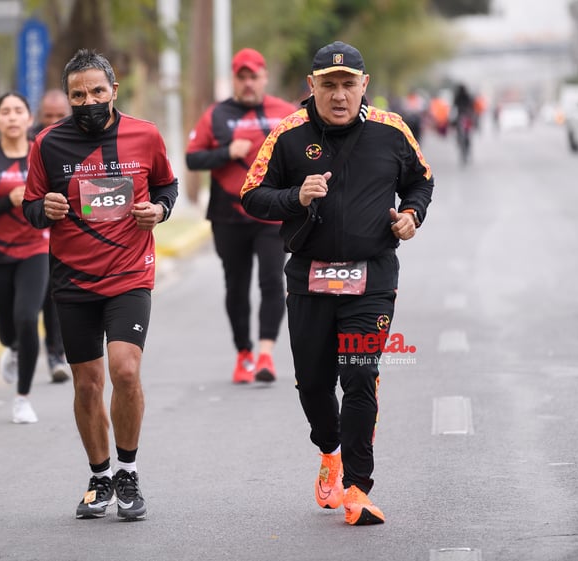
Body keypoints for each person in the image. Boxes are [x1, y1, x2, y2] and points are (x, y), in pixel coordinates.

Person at [241, 41, 434, 525]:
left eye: (349, 84)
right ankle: (330, 451)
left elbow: (421, 180)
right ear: (312, 87)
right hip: (310, 277)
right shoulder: (287, 135)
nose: (340, 94)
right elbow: (252, 195)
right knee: (313, 384)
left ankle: (357, 489)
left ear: (364, 86)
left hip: (371, 278)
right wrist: (294, 197)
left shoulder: (391, 131)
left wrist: (411, 214)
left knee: (360, 374)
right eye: (329, 85)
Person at [23, 49, 178, 521]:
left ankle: (128, 472)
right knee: (88, 385)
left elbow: (167, 187)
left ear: (113, 89)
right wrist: (43, 209)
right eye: (77, 94)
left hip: (130, 273)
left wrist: (161, 211)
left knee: (125, 371)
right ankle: (99, 476)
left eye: (96, 91)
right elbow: (31, 208)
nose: (87, 100)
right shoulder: (47, 144)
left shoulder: (145, 135)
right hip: (73, 280)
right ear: (67, 98)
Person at [186, 47, 297, 384]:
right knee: (236, 285)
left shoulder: (286, 112)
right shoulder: (216, 115)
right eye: (242, 77)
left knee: (271, 280)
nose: (248, 83)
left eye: (254, 76)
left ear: (264, 77)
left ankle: (265, 354)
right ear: (234, 79)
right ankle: (244, 354)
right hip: (228, 212)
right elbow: (193, 159)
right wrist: (226, 152)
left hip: (272, 212)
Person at [0, 92, 65, 425]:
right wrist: (8, 200)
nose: (12, 117)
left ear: (28, 119)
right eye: (5, 112)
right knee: (8, 331)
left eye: (18, 111)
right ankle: (10, 345)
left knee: (26, 317)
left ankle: (23, 398)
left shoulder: (43, 154)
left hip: (35, 248)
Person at [28, 88, 72, 382]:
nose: (54, 121)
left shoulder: (77, 140)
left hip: (60, 240)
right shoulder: (31, 142)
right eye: (49, 117)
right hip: (25, 239)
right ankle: (19, 346)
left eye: (60, 117)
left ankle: (56, 355)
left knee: (53, 298)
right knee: (24, 309)